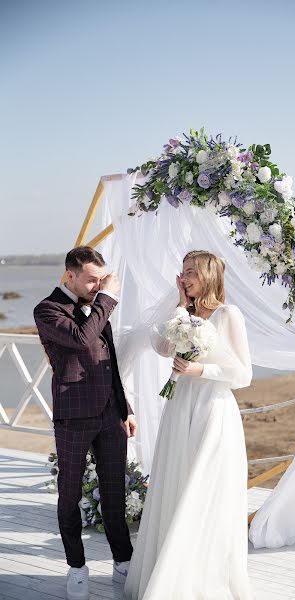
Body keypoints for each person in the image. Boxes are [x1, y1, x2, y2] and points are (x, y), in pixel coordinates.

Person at [124, 250, 253, 600]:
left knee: (204, 486)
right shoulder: (185, 314)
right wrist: (180, 307)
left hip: (212, 409)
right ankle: (168, 571)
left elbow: (244, 374)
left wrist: (202, 370)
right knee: (177, 484)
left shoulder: (229, 315)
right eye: (182, 272)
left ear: (209, 275)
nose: (184, 278)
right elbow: (165, 347)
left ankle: (203, 578)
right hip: (180, 407)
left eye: (192, 272)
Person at [33, 246, 137, 600]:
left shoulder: (97, 307)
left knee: (114, 493)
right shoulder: (47, 309)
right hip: (74, 417)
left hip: (110, 416)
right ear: (70, 275)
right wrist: (107, 297)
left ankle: (123, 561)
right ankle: (76, 567)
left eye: (101, 278)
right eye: (91, 279)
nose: (97, 285)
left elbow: (111, 363)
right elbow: (82, 340)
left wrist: (126, 408)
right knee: (70, 494)